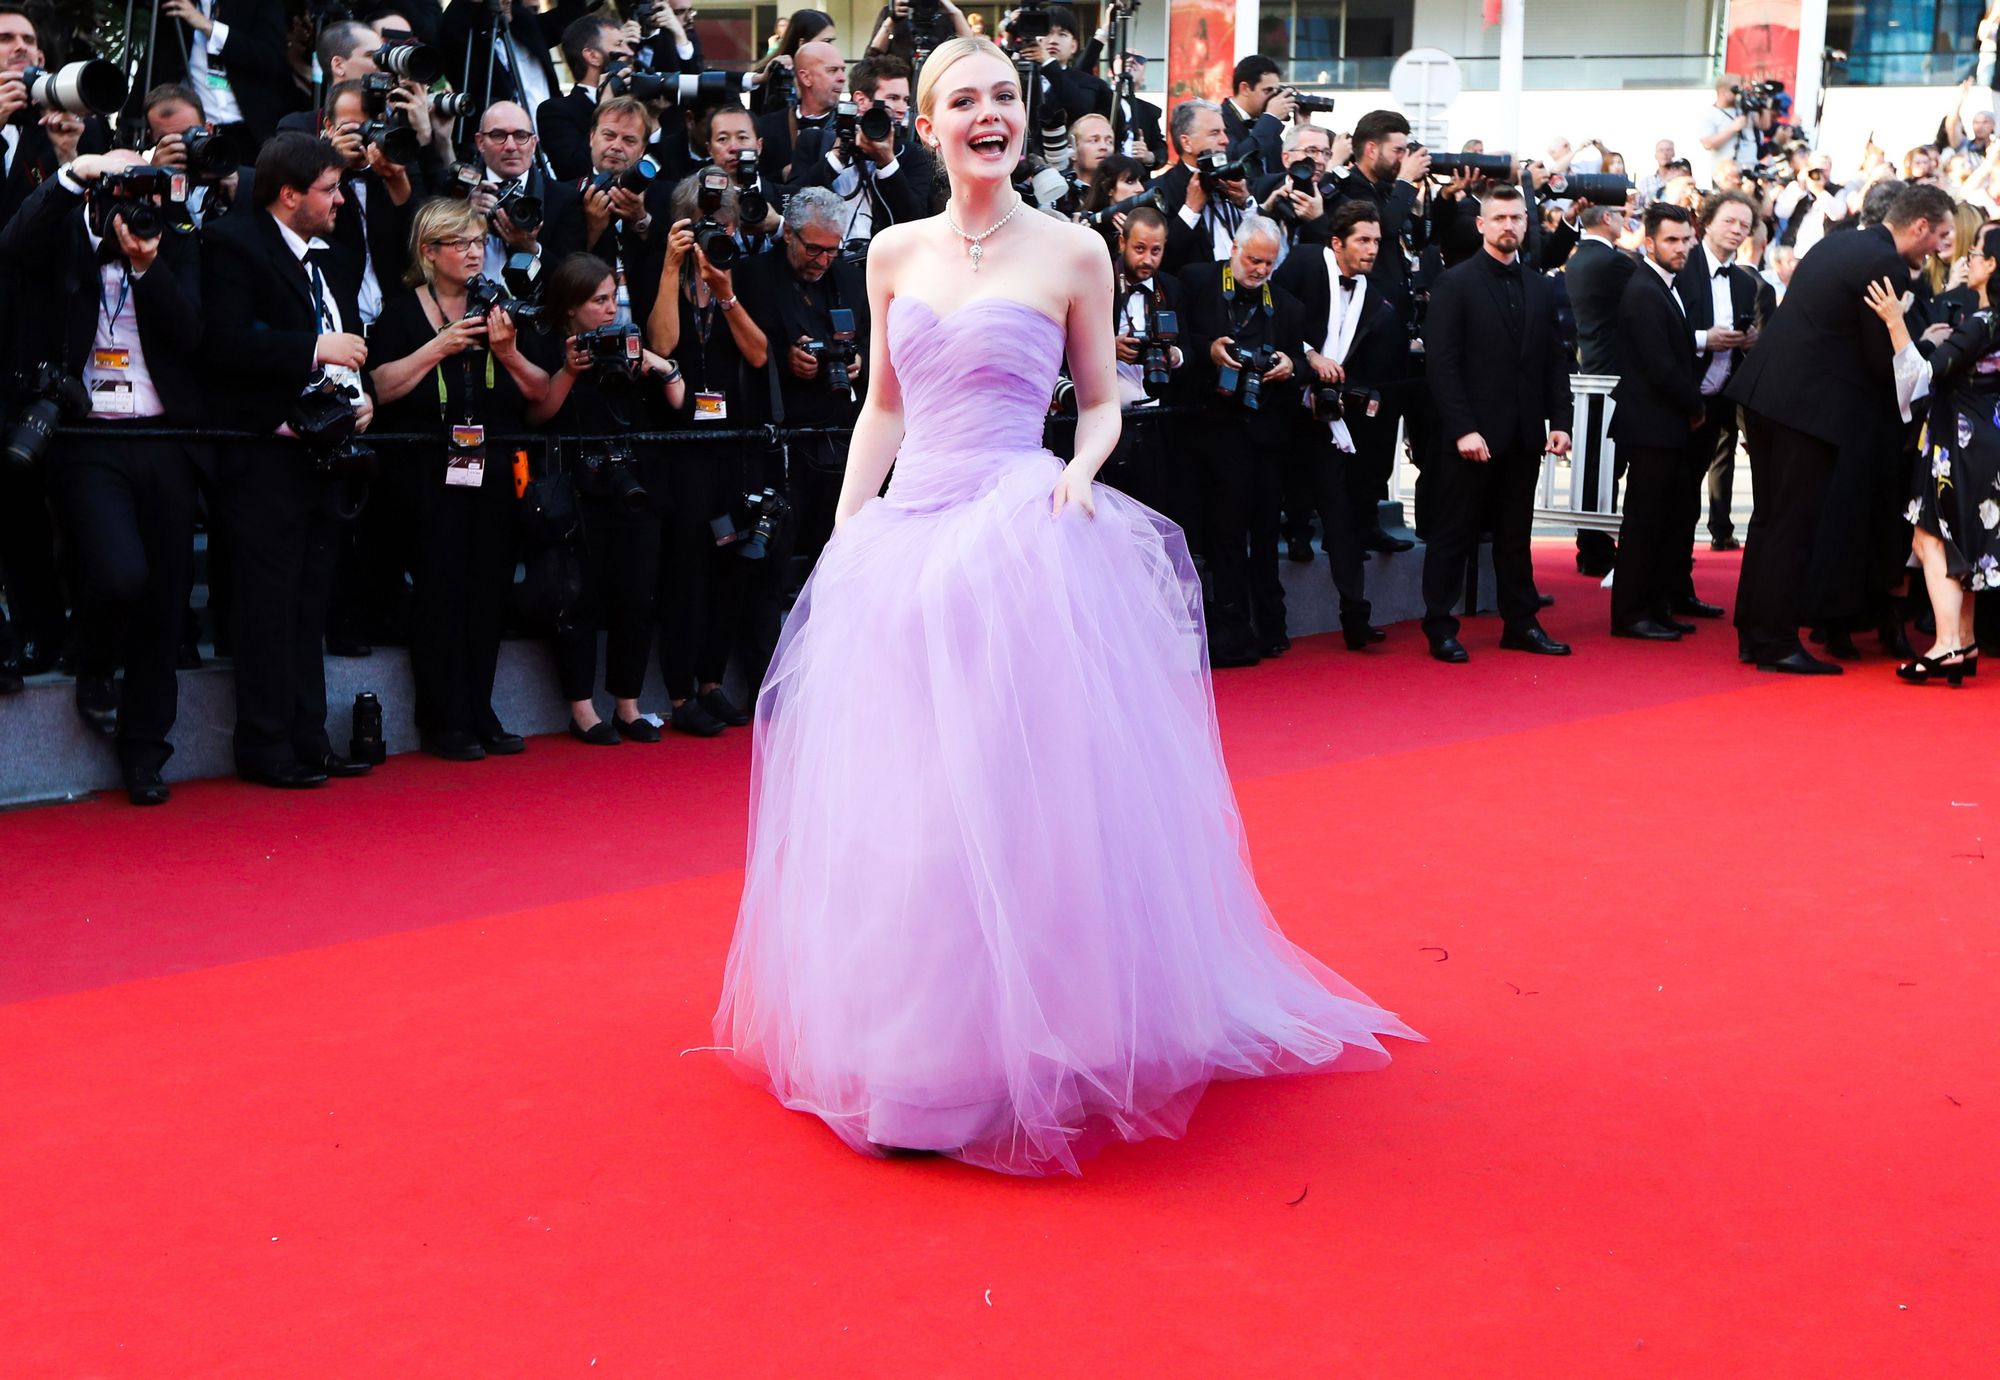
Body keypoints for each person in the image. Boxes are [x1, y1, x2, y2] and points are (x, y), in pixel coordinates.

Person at [714, 34, 1418, 1178]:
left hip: (1016, 532)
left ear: (1018, 117)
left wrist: (1079, 476)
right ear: (932, 123)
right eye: (964, 101)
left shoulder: (1074, 249)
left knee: (1012, 790)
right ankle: (912, 1050)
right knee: (908, 798)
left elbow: (1100, 403)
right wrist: (845, 530)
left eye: (1004, 97)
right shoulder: (889, 251)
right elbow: (883, 409)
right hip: (907, 539)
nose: (986, 115)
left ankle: (1037, 1035)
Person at [0, 151, 207, 802]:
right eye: (116, 192)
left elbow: (195, 334)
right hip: (87, 437)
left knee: (166, 601)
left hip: (165, 436)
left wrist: (148, 267)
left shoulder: (171, 241)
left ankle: (146, 752)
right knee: (120, 573)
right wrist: (74, 176)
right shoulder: (61, 236)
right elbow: (14, 243)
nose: (129, 208)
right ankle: (89, 661)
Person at [201, 133, 377, 788]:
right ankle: (266, 747)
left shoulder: (319, 258)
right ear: (288, 195)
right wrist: (315, 348)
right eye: (329, 190)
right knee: (268, 609)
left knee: (309, 608)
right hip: (262, 460)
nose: (338, 201)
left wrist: (362, 401)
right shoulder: (231, 244)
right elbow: (224, 341)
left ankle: (309, 739)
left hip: (320, 457)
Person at [1727, 183, 1955, 673]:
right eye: (1938, 235)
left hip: (1768, 395)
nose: (1938, 246)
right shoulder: (1885, 265)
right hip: (1807, 409)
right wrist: (1929, 353)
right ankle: (1776, 641)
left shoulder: (1841, 240)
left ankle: (1756, 632)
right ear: (1919, 226)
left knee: (1768, 519)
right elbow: (1882, 360)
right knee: (1791, 523)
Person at [367, 197, 552, 760]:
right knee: (439, 594)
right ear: (429, 252)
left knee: (488, 594)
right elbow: (379, 386)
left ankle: (481, 709)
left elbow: (541, 390)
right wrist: (440, 346)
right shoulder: (402, 312)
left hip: (492, 469)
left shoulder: (500, 305)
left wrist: (508, 351)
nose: (474, 252)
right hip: (426, 471)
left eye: (478, 243)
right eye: (461, 243)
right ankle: (443, 718)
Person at [524, 253, 685, 742]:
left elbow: (678, 399)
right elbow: (538, 416)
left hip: (634, 487)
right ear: (571, 308)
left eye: (613, 299)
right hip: (577, 492)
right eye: (598, 302)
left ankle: (628, 706)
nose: (610, 310)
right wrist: (570, 370)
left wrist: (652, 361)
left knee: (637, 597)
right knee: (579, 599)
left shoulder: (629, 343)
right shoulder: (549, 347)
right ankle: (582, 709)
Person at [1419, 183, 1576, 663]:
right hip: (1471, 436)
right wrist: (1463, 428)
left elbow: (1554, 360)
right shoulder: (1455, 283)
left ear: (1527, 223)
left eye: (1518, 217)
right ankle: (1440, 626)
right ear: (1482, 224)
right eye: (1501, 218)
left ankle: (1521, 622)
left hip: (1524, 433)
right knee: (1453, 532)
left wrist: (1561, 421)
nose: (1510, 225)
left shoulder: (1541, 285)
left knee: (1515, 533)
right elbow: (1442, 364)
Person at [644, 169, 771, 737]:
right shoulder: (660, 270)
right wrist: (673, 270)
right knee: (685, 571)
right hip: (678, 446)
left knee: (727, 562)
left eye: (722, 227)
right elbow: (662, 345)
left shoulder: (739, 276)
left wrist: (725, 293)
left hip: (730, 444)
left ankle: (712, 682)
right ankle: (677, 694)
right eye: (705, 228)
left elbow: (759, 354)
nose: (716, 238)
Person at [1864, 239, 2000, 683]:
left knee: (1930, 539)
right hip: (1983, 438)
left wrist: (1894, 323)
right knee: (1965, 540)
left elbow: (1920, 377)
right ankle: (1964, 639)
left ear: (1992, 266)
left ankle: (1945, 646)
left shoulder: (1983, 323)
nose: (1967, 260)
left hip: (1958, 441)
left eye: (1976, 254)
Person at [1178, 212, 1305, 665]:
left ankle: (1273, 626)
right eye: (1254, 260)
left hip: (1267, 438)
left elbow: (1302, 361)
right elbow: (1179, 341)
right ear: (1233, 248)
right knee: (1226, 536)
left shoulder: (1288, 306)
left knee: (1267, 534)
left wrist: (1292, 365)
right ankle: (1232, 629)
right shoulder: (1196, 280)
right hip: (1210, 435)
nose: (1260, 271)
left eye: (1269, 264)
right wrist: (1209, 348)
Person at [1277, 199, 1404, 650]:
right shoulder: (1306, 264)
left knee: (1343, 514)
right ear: (1337, 242)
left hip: (1332, 419)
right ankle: (1273, 618)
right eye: (1363, 241)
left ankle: (1355, 618)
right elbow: (1274, 317)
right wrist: (1308, 357)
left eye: (1376, 241)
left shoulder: (1377, 291)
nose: (1372, 249)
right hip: (1283, 406)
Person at [1607, 204, 1704, 640]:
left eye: (1685, 239)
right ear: (1649, 243)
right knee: (1644, 522)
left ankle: (1655, 607)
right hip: (1650, 426)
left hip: (1663, 425)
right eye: (1671, 240)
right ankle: (1631, 614)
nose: (1681, 248)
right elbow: (1660, 367)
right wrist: (1696, 404)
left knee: (1661, 522)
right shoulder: (1644, 290)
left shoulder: (1663, 285)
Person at [1674, 190, 1774, 558]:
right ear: (1707, 223)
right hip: (1678, 399)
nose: (1736, 230)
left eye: (1744, 224)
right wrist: (1704, 339)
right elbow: (1660, 332)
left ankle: (1681, 585)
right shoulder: (1681, 268)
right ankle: (1660, 590)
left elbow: (1751, 344)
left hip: (1719, 400)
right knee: (1672, 499)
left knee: (1693, 496)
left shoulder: (1746, 282)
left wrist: (1749, 341)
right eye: (1729, 221)